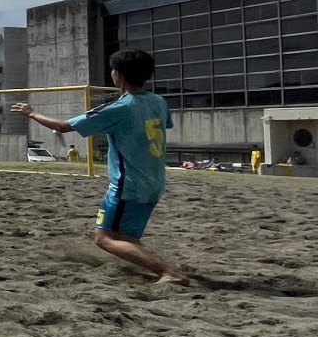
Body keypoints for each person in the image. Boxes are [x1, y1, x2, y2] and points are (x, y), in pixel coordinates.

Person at [13, 48, 188, 285]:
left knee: (103, 238)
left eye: (113, 70)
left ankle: (168, 272)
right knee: (124, 236)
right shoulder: (158, 102)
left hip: (128, 185)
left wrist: (32, 113)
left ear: (119, 75)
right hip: (154, 181)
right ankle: (154, 268)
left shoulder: (120, 107)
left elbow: (63, 126)